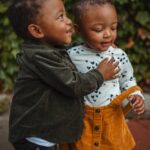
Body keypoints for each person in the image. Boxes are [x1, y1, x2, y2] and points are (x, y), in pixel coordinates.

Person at [7, 0, 120, 150]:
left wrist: (96, 46)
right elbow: (74, 85)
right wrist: (100, 74)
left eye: (66, 14)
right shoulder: (40, 57)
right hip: (36, 138)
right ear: (37, 31)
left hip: (45, 134)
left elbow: (66, 53)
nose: (69, 21)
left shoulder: (48, 48)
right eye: (60, 16)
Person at [58, 0, 145, 150]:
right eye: (98, 29)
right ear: (79, 30)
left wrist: (136, 95)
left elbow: (129, 81)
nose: (108, 34)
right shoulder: (71, 55)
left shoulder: (119, 55)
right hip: (82, 121)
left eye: (114, 27)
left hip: (113, 120)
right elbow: (67, 83)